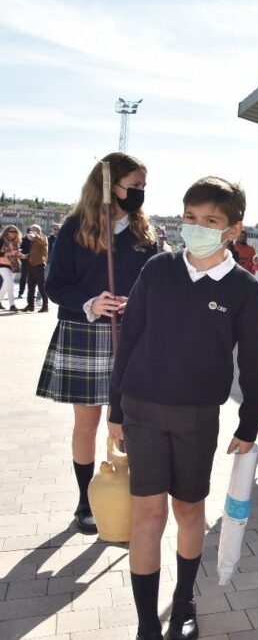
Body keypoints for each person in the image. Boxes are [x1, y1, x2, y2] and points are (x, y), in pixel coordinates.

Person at [108, 177, 258, 640]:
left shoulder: (243, 289)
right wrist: (115, 410)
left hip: (197, 417)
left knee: (190, 513)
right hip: (141, 410)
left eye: (210, 221)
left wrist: (251, 421)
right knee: (147, 518)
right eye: (190, 218)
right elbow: (129, 340)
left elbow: (254, 364)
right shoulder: (157, 271)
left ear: (233, 229)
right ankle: (145, 625)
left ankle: (183, 603)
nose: (196, 228)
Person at [38, 153, 158, 534]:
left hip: (131, 336)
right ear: (108, 187)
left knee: (128, 420)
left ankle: (132, 495)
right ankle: (85, 500)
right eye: (133, 186)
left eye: (143, 187)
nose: (139, 193)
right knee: (87, 420)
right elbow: (54, 286)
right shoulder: (76, 229)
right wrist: (91, 301)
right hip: (84, 332)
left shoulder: (145, 234)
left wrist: (137, 303)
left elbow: (155, 285)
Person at [21, 224, 49, 312]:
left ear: (39, 230)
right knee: (30, 287)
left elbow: (41, 241)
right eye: (31, 230)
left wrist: (35, 235)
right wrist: (25, 256)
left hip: (39, 265)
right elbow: (35, 252)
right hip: (32, 265)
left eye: (35, 229)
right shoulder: (32, 241)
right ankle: (30, 305)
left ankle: (45, 306)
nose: (32, 231)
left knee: (41, 286)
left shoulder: (43, 237)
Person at [1, 225, 23, 311]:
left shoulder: (16, 241)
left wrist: (22, 255)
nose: (13, 233)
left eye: (15, 232)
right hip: (2, 264)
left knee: (6, 285)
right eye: (11, 231)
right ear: (7, 232)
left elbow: (16, 254)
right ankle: (12, 305)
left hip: (13, 265)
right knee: (10, 284)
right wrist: (11, 252)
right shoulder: (2, 240)